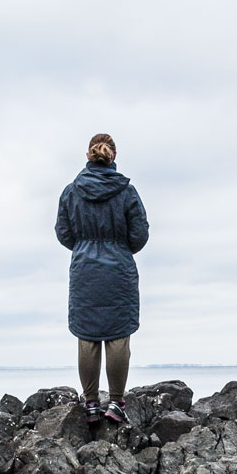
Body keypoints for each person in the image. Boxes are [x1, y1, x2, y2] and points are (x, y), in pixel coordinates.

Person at [55, 133, 149, 424]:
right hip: (119, 268)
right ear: (114, 156)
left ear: (88, 155)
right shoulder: (126, 191)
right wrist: (118, 248)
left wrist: (85, 246)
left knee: (88, 336)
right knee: (119, 335)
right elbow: (140, 234)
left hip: (84, 268)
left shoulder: (71, 191)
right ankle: (117, 402)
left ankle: (91, 403)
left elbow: (63, 232)